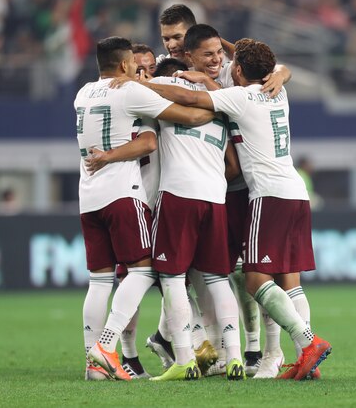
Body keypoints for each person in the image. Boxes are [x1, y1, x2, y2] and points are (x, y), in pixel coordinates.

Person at [141, 38, 332, 381]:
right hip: (296, 193)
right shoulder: (278, 90)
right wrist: (271, 66)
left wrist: (142, 84)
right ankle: (305, 359)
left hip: (268, 196)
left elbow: (190, 98)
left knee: (255, 279)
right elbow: (265, 66)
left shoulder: (241, 97)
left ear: (239, 69)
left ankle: (307, 342)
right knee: (289, 281)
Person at [77, 36, 215, 381]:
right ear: (124, 65)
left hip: (88, 196)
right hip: (123, 194)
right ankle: (106, 347)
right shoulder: (131, 92)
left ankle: (93, 364)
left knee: (99, 280)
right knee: (144, 270)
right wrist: (219, 105)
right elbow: (188, 116)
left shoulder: (82, 94)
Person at [143, 58, 244, 381]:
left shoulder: (165, 94)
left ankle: (184, 359)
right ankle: (235, 357)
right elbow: (233, 165)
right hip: (215, 197)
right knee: (217, 280)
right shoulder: (219, 100)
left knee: (171, 279)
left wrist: (140, 82)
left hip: (178, 194)